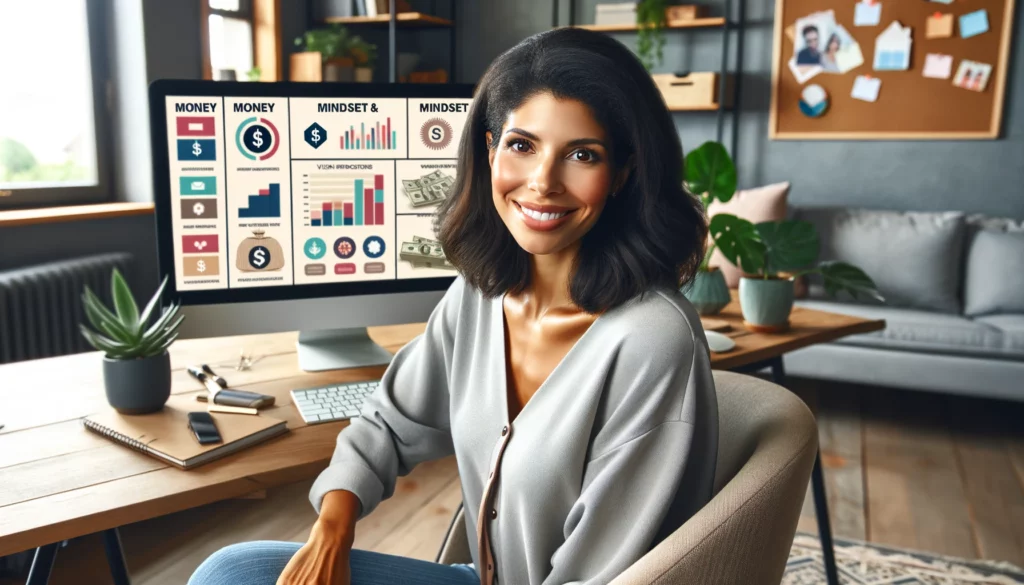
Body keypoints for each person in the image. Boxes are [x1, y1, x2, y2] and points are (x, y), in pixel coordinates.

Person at [188, 26, 718, 585]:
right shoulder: (479, 294)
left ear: (622, 175)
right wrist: (334, 530)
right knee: (233, 572)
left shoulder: (654, 339)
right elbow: (389, 423)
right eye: (522, 145)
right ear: (490, 151)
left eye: (582, 155)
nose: (542, 182)